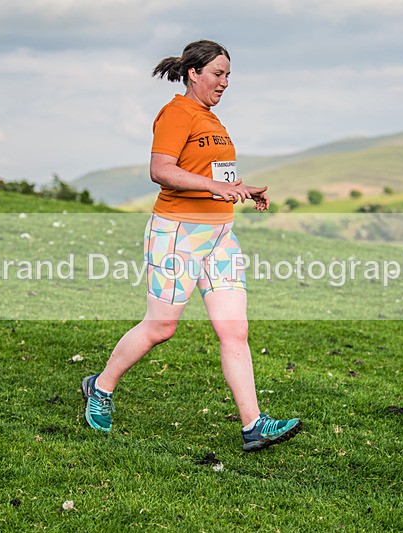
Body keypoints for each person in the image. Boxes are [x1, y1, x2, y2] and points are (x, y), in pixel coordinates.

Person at [81, 40, 301, 452]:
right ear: (193, 73)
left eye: (228, 75)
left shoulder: (212, 120)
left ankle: (254, 425)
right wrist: (215, 186)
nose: (225, 82)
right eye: (218, 74)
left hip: (220, 236)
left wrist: (241, 189)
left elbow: (211, 174)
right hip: (178, 233)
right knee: (161, 327)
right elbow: (161, 170)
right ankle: (101, 387)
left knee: (235, 330)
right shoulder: (176, 113)